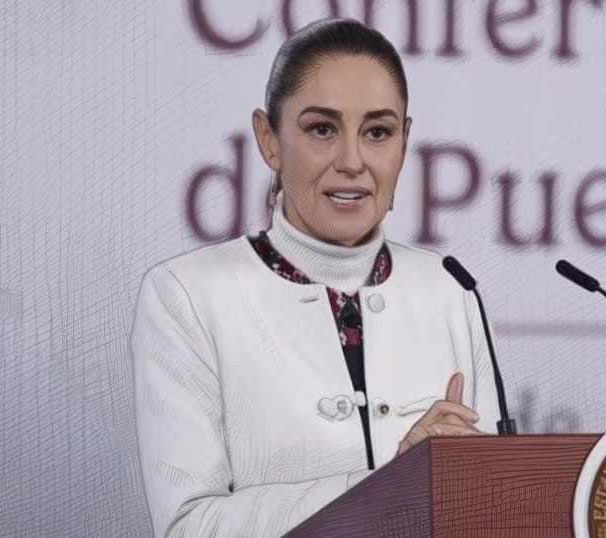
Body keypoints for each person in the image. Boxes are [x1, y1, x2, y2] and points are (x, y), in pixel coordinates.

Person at [131, 18, 501, 538]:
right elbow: (190, 527)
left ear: (405, 142)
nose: (352, 162)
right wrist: (393, 484)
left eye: (378, 132)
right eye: (322, 129)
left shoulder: (449, 290)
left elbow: (491, 513)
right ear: (269, 140)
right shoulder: (187, 295)